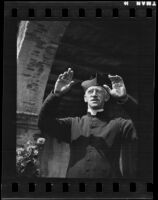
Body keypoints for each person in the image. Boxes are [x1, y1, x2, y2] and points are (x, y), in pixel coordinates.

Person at [38, 68, 138, 178]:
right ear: (85, 98)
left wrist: (125, 99)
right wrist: (56, 95)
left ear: (106, 97)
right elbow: (44, 123)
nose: (94, 94)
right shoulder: (73, 123)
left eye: (99, 91)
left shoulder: (119, 124)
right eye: (90, 91)